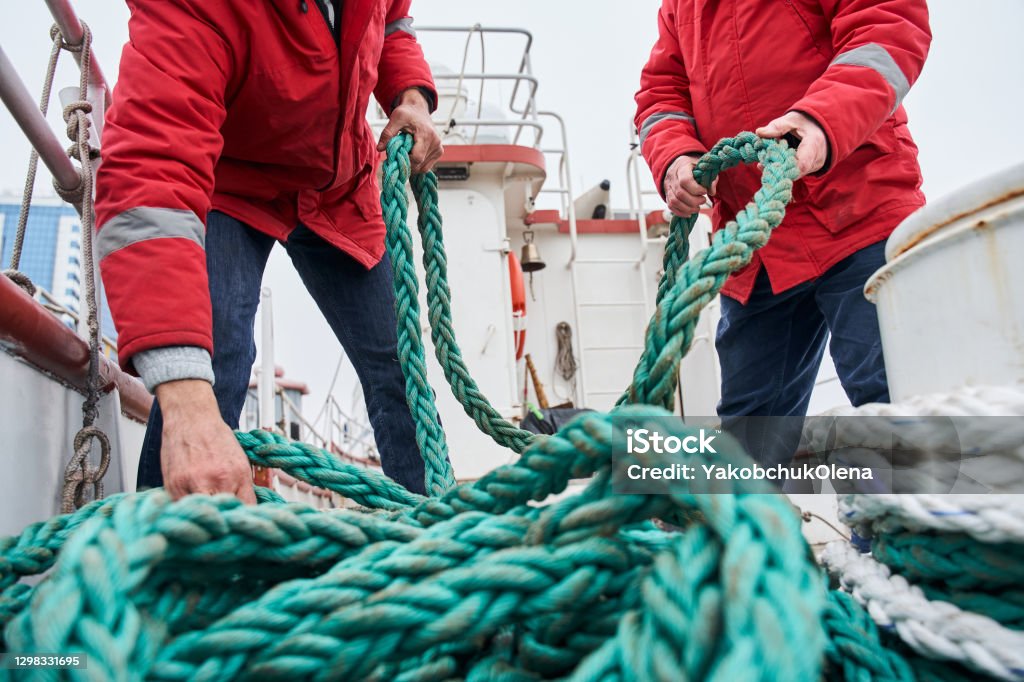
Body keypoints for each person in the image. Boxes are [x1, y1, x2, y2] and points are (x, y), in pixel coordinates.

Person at [95, 0, 443, 502]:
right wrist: (187, 403)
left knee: (399, 365)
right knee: (214, 365)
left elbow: (391, 23)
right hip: (229, 181)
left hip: (336, 185)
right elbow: (151, 175)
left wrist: (410, 97)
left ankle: (438, 535)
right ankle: (167, 552)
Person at [635, 0, 931, 464]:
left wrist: (819, 121)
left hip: (858, 215)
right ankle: (739, 533)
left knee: (894, 397)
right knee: (747, 437)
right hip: (756, 247)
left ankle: (921, 533)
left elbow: (888, 25)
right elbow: (661, 92)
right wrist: (674, 156)